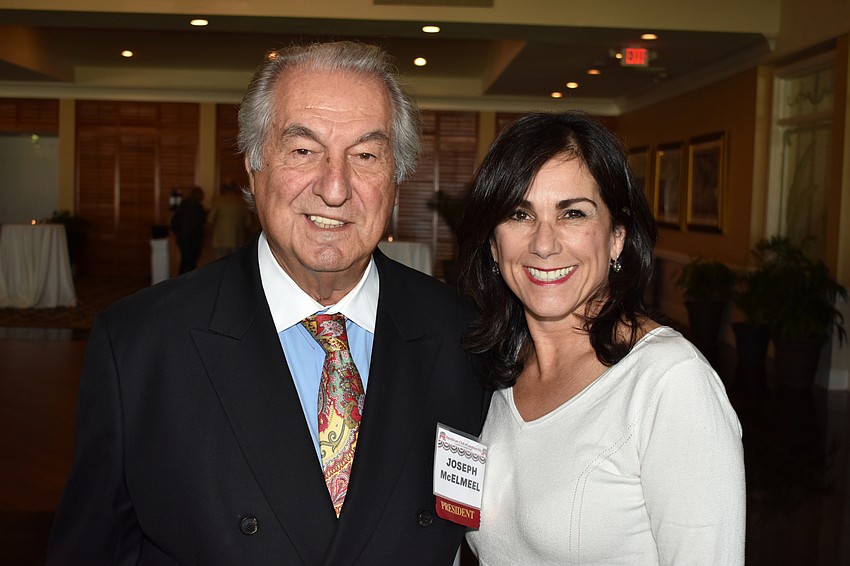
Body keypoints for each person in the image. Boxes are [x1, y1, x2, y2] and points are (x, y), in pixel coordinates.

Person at [47, 41, 489, 565]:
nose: (334, 187)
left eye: (366, 155)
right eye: (303, 151)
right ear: (254, 169)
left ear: (396, 179)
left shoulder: (467, 338)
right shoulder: (141, 347)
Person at [459, 112, 745, 564]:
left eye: (573, 213)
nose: (544, 243)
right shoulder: (492, 368)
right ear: (494, 245)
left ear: (616, 237)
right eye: (519, 214)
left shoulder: (670, 383)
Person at [209, 181, 253, 258]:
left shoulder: (218, 200)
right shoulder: (242, 202)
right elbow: (248, 222)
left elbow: (210, 219)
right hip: (238, 238)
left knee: (220, 262)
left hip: (221, 238)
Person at [170, 185, 207, 273]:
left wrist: (177, 233)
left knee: (184, 261)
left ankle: (180, 283)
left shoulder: (183, 204)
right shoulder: (199, 207)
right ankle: (190, 285)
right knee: (192, 263)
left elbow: (174, 221)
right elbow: (202, 222)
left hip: (183, 238)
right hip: (194, 238)